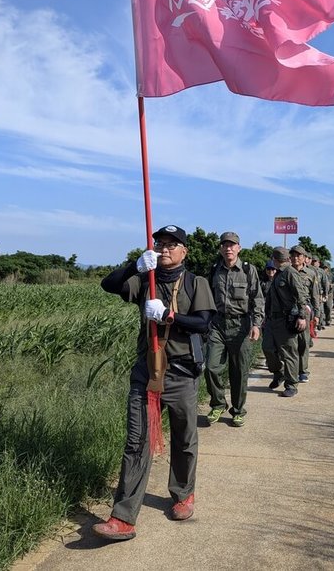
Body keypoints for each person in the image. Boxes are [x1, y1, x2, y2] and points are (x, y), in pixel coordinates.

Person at [94, 225, 216, 540]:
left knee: (183, 437)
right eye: (160, 243)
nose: (164, 249)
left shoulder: (195, 282)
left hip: (181, 372)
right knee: (137, 441)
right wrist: (135, 265)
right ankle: (123, 517)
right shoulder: (144, 281)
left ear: (184, 251)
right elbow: (108, 285)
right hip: (147, 371)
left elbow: (203, 323)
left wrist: (169, 317)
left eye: (172, 244)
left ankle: (183, 493)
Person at [203, 232, 264, 427]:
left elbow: (257, 299)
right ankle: (218, 403)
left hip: (241, 326)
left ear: (239, 248)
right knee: (211, 367)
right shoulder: (214, 270)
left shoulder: (248, 270)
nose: (228, 248)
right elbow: (207, 298)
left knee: (238, 371)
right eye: (225, 245)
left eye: (232, 245)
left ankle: (238, 410)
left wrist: (256, 324)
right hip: (218, 325)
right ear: (220, 249)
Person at [261, 246, 310, 397]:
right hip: (272, 319)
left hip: (286, 319)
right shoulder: (278, 274)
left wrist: (301, 316)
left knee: (289, 352)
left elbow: (301, 296)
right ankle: (278, 372)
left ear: (275, 260)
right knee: (267, 348)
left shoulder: (290, 273)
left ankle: (291, 384)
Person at [290, 245, 318, 383]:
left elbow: (314, 295)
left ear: (304, 258)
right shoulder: (285, 272)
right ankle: (290, 370)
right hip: (288, 311)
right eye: (293, 255)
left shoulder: (310, 274)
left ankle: (303, 370)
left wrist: (317, 314)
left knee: (303, 342)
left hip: (304, 311)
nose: (295, 258)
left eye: (298, 255)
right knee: (289, 342)